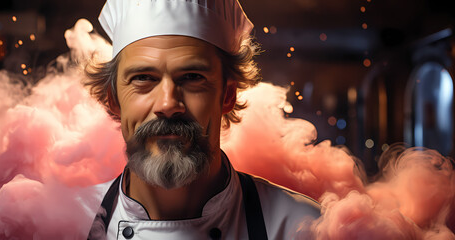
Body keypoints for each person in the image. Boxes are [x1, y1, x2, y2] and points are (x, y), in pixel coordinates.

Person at [84, 0, 321, 239]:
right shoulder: (68, 222)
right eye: (143, 78)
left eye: (192, 77)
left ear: (228, 95)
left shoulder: (305, 227)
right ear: (113, 99)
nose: (167, 104)